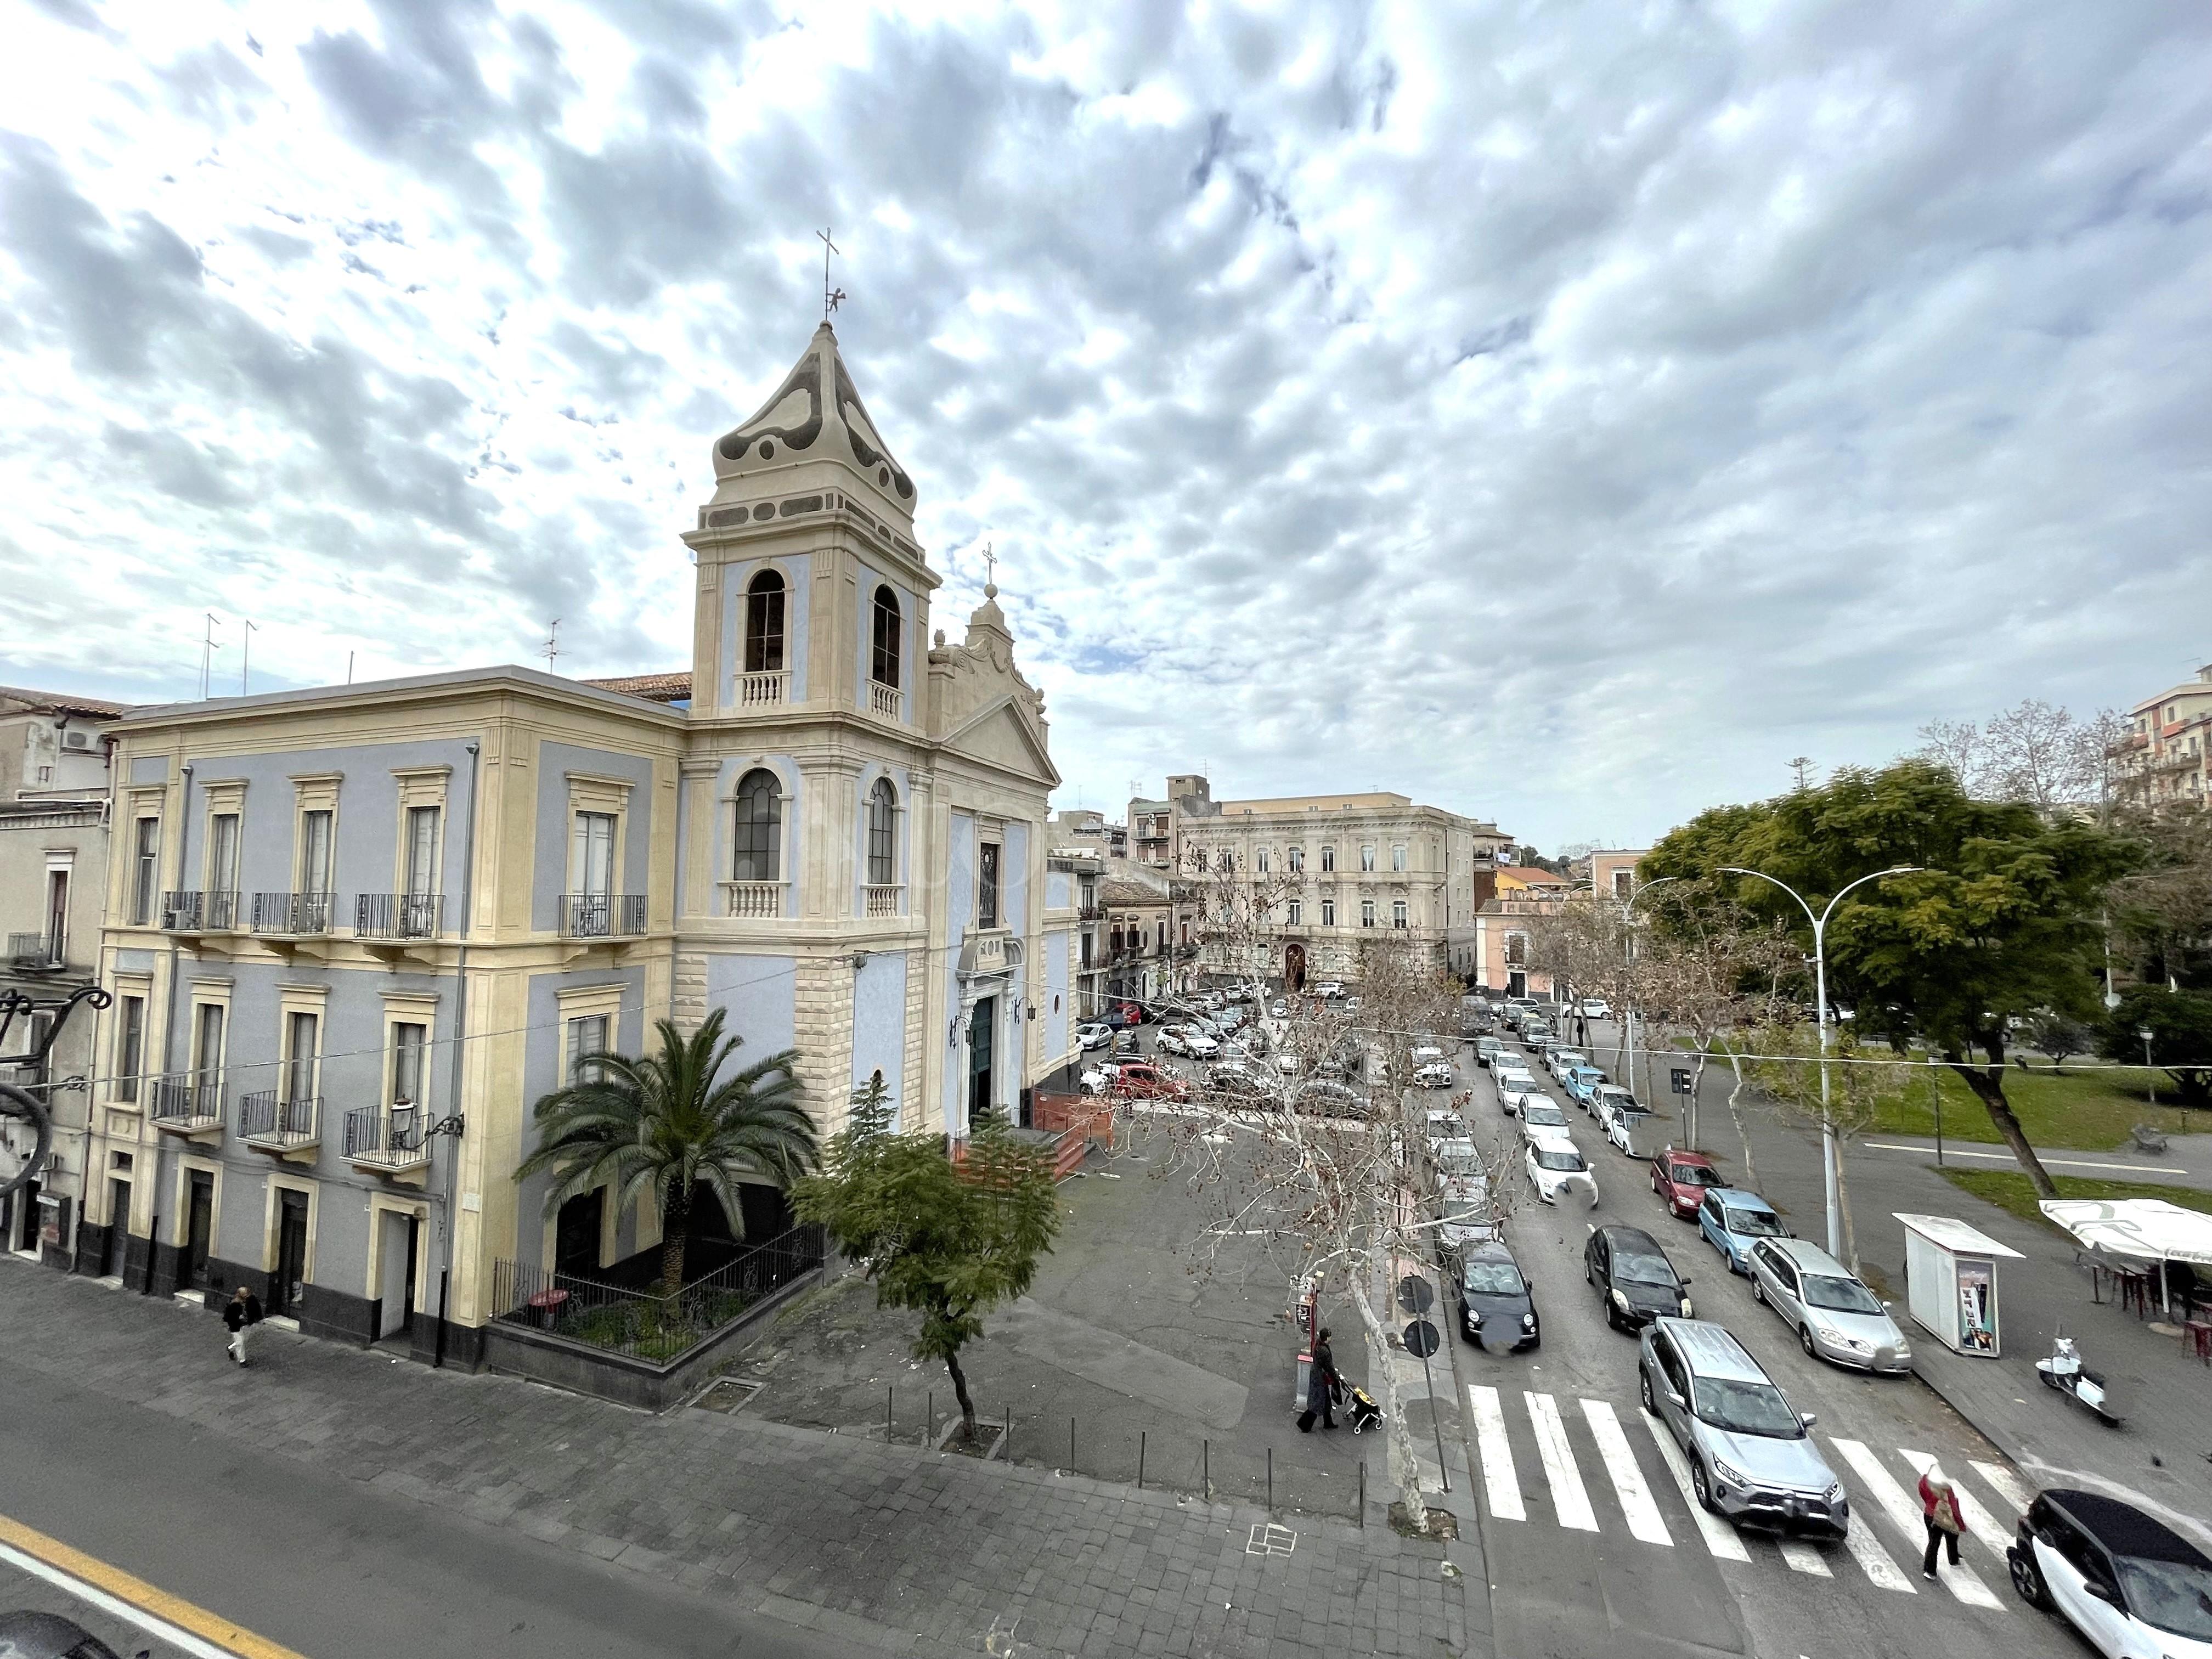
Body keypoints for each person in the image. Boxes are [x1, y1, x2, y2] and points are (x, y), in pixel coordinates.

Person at [1919, 1463, 1963, 1579]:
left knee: (1934, 1542)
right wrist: (1959, 1521)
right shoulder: (1945, 1489)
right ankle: (1953, 1559)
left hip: (1929, 1516)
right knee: (1952, 1536)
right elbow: (1953, 1505)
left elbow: (1923, 1494)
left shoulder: (1924, 1481)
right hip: (1944, 1517)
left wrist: (1930, 1505)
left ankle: (1930, 1570)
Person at [1299, 1328, 1339, 1432]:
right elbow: (1330, 1368)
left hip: (1317, 1375)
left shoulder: (1318, 1345)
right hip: (1320, 1379)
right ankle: (1304, 1425)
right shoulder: (1324, 1351)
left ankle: (1328, 1422)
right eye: (1330, 1337)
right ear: (1327, 1338)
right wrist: (1336, 1378)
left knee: (1325, 1401)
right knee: (1318, 1403)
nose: (1331, 1338)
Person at [223, 1284, 263, 1367]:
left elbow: (257, 1308)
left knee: (244, 1341)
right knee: (241, 1342)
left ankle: (231, 1348)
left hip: (247, 1323)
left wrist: (258, 1318)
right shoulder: (234, 1304)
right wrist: (237, 1317)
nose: (247, 1295)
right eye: (245, 1294)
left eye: (248, 1293)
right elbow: (227, 1317)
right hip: (236, 1326)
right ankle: (242, 1360)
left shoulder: (252, 1299)